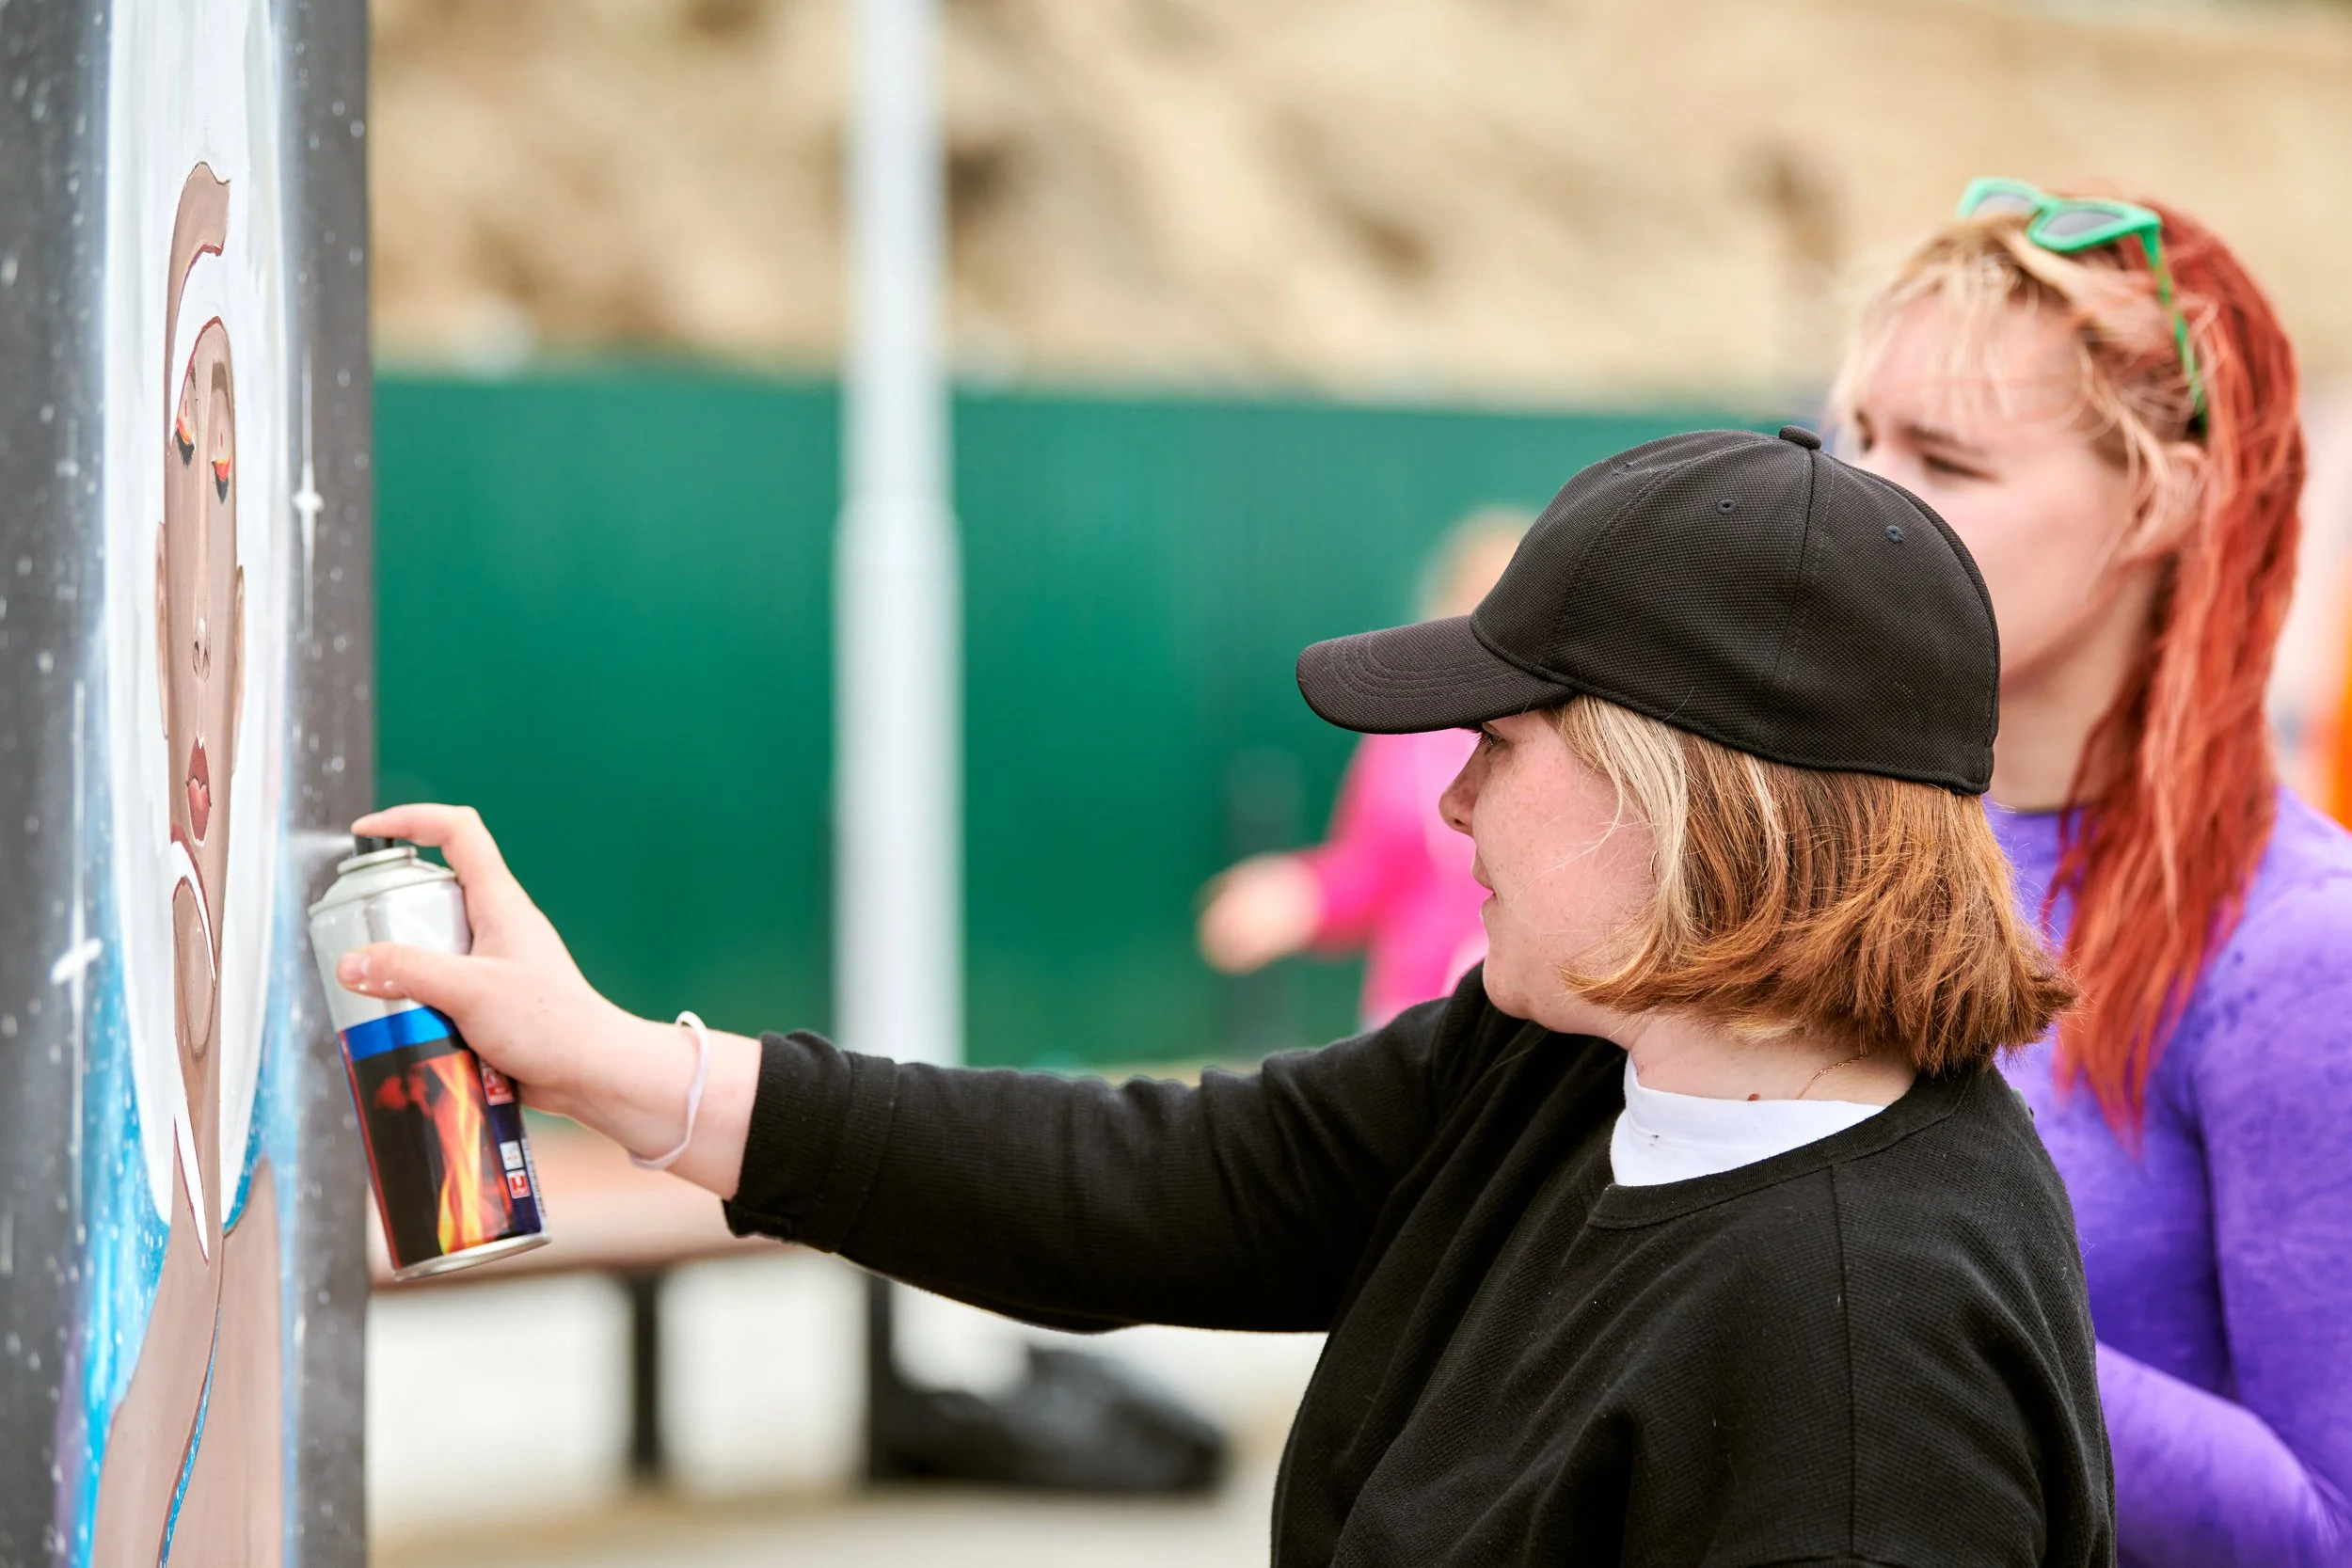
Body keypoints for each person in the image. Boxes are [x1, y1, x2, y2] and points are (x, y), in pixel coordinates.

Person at [337, 430, 2112, 1565]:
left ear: (1693, 798)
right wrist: (635, 1072)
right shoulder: (1569, 1060)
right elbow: (1159, 1183)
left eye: (1499, 744)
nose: (1452, 802)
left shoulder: (1867, 1368)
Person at [1836, 178, 2352, 1565]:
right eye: (1859, 436)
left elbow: (2332, 1523)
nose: (1860, 497)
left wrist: (1880, 1252)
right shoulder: (1844, 855)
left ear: (2158, 501)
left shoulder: (2299, 950)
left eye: (1945, 460)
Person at [1198, 509, 1523, 1026]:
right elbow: (1371, 871)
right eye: (1470, 598)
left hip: (1524, 1026)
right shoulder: (1407, 735)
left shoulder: (1567, 743)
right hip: (1414, 1019)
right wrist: (1298, 894)